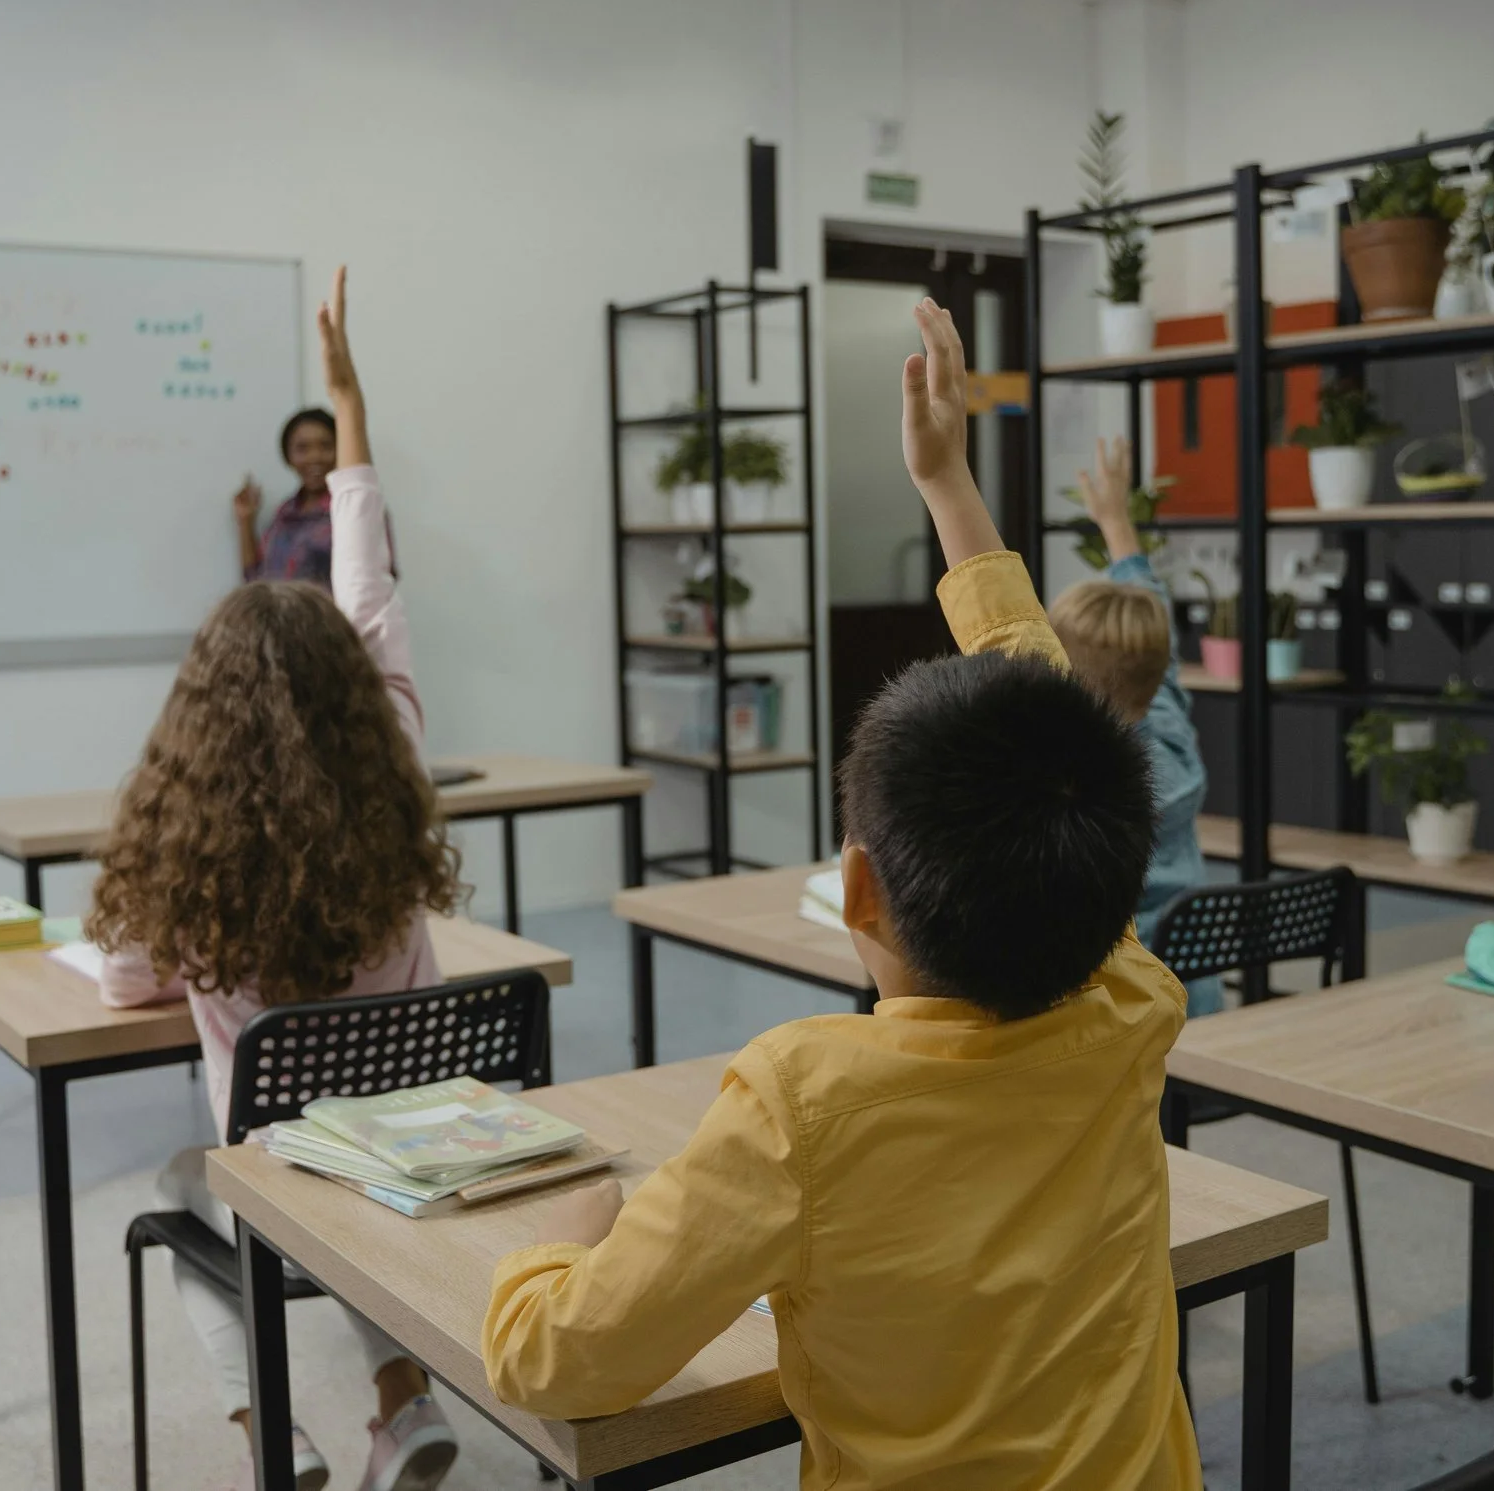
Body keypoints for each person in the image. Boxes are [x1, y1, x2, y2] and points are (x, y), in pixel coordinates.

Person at [481, 299, 1198, 1489]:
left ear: (855, 885)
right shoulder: (1125, 996)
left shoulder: (799, 1102)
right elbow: (1039, 687)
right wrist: (948, 487)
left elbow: (556, 1359)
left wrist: (551, 1251)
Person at [92, 267, 465, 1491]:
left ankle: (273, 1440)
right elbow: (367, 579)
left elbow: (125, 981)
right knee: (348, 1173)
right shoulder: (396, 747)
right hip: (413, 1140)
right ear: (361, 690)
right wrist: (351, 399)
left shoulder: (185, 846)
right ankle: (403, 1401)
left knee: (192, 1186)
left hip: (289, 1161)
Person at [1052, 434, 1220, 1016]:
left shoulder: (1080, 790)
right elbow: (1157, 637)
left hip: (1118, 1026)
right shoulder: (1166, 721)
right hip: (1195, 1003)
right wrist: (1115, 520)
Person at [235, 406, 339, 586]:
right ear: (288, 456)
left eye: (326, 446)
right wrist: (246, 522)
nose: (315, 456)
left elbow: (374, 583)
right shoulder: (285, 513)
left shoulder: (354, 509)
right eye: (302, 448)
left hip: (329, 615)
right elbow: (256, 579)